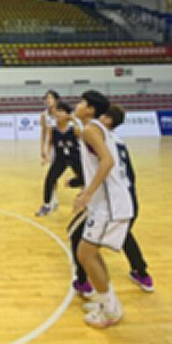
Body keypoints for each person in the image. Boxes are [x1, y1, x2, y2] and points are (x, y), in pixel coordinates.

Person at [69, 104, 154, 297]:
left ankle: (86, 284)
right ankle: (141, 272)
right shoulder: (117, 140)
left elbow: (107, 167)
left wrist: (85, 190)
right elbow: (126, 173)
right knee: (124, 236)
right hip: (127, 195)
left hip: (111, 200)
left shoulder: (100, 137)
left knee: (78, 238)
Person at [72, 90, 134, 329]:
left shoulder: (91, 129)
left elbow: (107, 161)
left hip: (110, 204)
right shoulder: (97, 129)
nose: (77, 105)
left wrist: (87, 193)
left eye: (82, 102)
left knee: (85, 254)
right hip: (106, 201)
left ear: (90, 109)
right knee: (90, 253)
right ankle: (107, 301)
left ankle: (110, 311)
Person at [36, 102, 84, 217]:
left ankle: (72, 184)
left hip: (75, 157)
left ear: (68, 115)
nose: (58, 114)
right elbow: (50, 143)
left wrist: (73, 120)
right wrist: (47, 156)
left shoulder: (74, 129)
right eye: (57, 111)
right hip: (60, 158)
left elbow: (83, 139)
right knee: (49, 179)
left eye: (62, 111)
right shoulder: (53, 129)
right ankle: (47, 205)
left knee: (85, 179)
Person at [39, 89, 61, 211]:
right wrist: (42, 149)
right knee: (53, 174)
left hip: (63, 146)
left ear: (56, 100)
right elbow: (43, 133)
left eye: (50, 98)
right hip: (51, 147)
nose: (48, 100)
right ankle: (54, 197)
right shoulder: (44, 115)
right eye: (46, 98)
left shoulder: (62, 113)